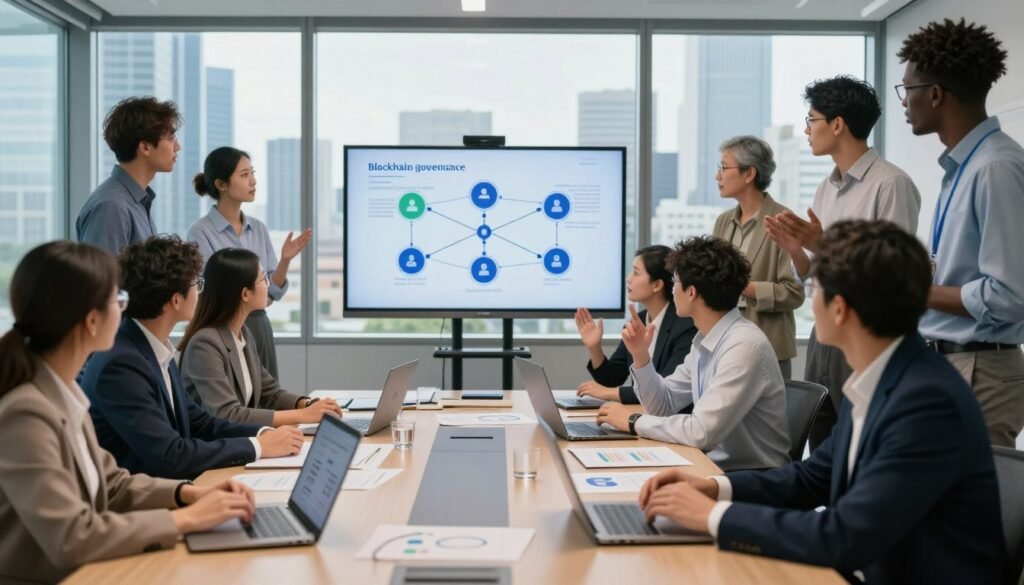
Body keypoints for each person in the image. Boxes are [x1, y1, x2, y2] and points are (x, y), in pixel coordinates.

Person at [637, 220, 1004, 585]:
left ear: (839, 308)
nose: (810, 301)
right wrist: (714, 488)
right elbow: (812, 478)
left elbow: (844, 536)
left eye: (814, 289)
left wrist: (712, 518)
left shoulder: (925, 402)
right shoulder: (885, 377)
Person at [0, 241, 258, 584]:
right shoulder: (26, 413)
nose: (124, 311)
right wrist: (186, 519)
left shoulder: (64, 393)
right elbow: (72, 535)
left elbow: (113, 484)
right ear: (92, 321)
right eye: (118, 302)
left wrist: (187, 494)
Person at [764, 75, 922, 450]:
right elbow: (814, 275)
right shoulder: (825, 188)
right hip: (825, 331)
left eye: (811, 119)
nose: (806, 130)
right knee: (821, 445)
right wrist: (796, 250)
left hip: (866, 334)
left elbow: (892, 276)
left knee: (860, 446)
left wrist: (822, 244)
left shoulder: (891, 184)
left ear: (837, 124)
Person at [81, 236, 303, 480]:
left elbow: (202, 424)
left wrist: (261, 435)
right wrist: (259, 447)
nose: (200, 290)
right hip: (146, 502)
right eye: (196, 283)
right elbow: (171, 455)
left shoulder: (152, 348)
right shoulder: (122, 364)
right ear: (176, 300)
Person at [898, 18, 1024, 448]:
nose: (904, 102)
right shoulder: (963, 167)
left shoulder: (995, 168)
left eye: (907, 90)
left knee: (973, 512)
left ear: (934, 94)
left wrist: (917, 290)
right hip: (952, 362)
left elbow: (1009, 296)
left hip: (980, 370)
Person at [595, 236, 789, 471]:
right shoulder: (703, 339)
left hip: (750, 477)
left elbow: (701, 432)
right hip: (709, 464)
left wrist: (633, 421)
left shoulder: (743, 346)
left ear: (692, 292)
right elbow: (663, 405)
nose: (672, 288)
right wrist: (640, 357)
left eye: (675, 281)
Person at [179, 248, 343, 426]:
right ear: (245, 294)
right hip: (215, 448)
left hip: (239, 442)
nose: (268, 285)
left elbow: (270, 392)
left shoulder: (243, 334)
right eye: (264, 279)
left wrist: (308, 404)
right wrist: (304, 415)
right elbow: (227, 414)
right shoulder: (205, 344)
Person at [187, 147, 312, 379]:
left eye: (252, 173)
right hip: (223, 328)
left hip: (258, 325)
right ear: (221, 184)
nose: (253, 181)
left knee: (267, 398)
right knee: (236, 402)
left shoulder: (258, 228)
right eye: (244, 175)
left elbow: (270, 292)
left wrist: (285, 260)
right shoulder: (200, 232)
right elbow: (209, 292)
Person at [712, 136, 804, 378]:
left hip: (768, 349)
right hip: (726, 345)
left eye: (723, 167)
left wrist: (744, 288)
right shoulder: (723, 222)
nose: (717, 176)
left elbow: (793, 293)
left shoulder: (783, 220)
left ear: (749, 174)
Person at [575, 245, 697, 405]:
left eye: (636, 273)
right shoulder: (636, 323)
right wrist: (594, 347)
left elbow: (665, 389)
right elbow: (612, 379)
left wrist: (609, 393)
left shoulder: (685, 326)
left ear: (657, 285)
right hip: (641, 415)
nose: (629, 278)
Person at [76, 96, 181, 254]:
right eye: (171, 138)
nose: (177, 146)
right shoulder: (112, 206)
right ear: (145, 147)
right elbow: (102, 277)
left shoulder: (136, 200)